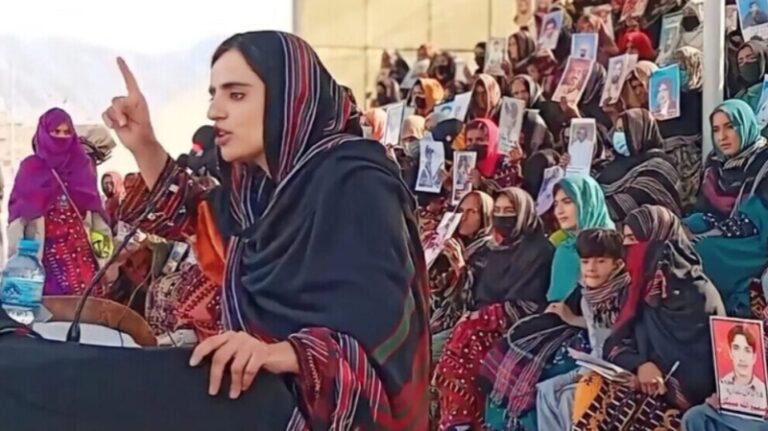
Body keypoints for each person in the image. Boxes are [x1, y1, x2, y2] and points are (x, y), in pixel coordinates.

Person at [103, 31, 429, 429]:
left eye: (237, 94)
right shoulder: (258, 193)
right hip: (262, 400)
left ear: (289, 99)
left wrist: (279, 353)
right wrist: (144, 143)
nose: (214, 111)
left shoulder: (357, 185)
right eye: (214, 94)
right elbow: (201, 220)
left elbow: (380, 331)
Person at [572, 205, 725, 430]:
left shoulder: (699, 296)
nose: (627, 249)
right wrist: (641, 365)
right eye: (625, 240)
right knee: (590, 388)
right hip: (642, 382)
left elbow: (705, 375)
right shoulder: (640, 290)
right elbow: (615, 343)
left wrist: (655, 378)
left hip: (686, 403)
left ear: (658, 243)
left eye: (633, 240)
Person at [435, 187, 553, 430]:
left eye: (509, 211)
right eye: (498, 211)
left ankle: (464, 422)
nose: (502, 217)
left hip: (515, 328)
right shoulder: (493, 250)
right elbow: (472, 296)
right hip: (475, 321)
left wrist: (482, 317)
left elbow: (530, 305)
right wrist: (461, 270)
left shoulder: (539, 252)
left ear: (524, 213)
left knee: (462, 343)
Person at [8, 108, 112, 297]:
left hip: (85, 264)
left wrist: (105, 260)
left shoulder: (81, 167)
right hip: (45, 263)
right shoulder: (31, 169)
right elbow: (18, 220)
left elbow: (97, 219)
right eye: (56, 132)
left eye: (66, 132)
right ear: (44, 134)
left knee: (88, 310)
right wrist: (17, 266)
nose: (61, 137)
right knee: (49, 312)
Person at [535, 228, 631, 431]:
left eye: (601, 261)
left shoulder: (626, 296)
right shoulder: (588, 297)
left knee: (569, 397)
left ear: (617, 265)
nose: (591, 268)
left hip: (619, 370)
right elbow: (596, 336)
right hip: (594, 365)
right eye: (585, 262)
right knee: (545, 390)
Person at [685, 100, 768, 317]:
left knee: (702, 253)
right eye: (716, 129)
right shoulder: (715, 163)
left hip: (756, 240)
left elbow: (758, 218)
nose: (722, 136)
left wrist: (712, 233)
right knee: (677, 235)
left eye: (730, 127)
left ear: (745, 125)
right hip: (726, 232)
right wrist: (686, 228)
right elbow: (705, 209)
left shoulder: (764, 162)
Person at [596, 109, 682, 222]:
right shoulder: (617, 163)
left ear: (637, 131)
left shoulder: (658, 165)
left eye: (622, 130)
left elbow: (634, 201)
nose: (617, 135)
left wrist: (590, 207)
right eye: (616, 130)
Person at [547, 175, 616, 302]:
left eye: (567, 202)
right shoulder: (565, 248)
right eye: (556, 204)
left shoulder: (615, 246)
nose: (559, 211)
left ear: (587, 202)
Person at [466, 119, 524, 194]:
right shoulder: (465, 164)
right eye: (470, 140)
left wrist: (481, 184)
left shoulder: (507, 166)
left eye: (480, 140)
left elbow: (509, 196)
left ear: (492, 140)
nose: (474, 144)